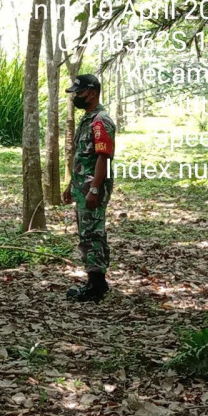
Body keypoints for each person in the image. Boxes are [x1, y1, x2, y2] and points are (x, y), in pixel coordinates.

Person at [62, 73, 116, 303]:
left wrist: (94, 189)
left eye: (79, 92)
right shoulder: (88, 119)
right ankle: (96, 281)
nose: (76, 97)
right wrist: (70, 185)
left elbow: (104, 157)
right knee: (88, 232)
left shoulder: (100, 121)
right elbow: (82, 158)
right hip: (82, 186)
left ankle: (96, 285)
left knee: (93, 233)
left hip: (92, 188)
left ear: (92, 93)